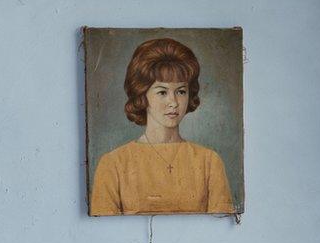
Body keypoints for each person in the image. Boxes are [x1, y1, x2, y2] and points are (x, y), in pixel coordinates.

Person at [89, 38, 235, 216]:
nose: (173, 102)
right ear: (143, 95)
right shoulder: (113, 164)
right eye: (162, 92)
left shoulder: (209, 162)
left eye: (181, 91)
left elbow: (221, 231)